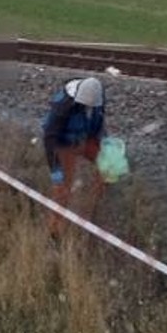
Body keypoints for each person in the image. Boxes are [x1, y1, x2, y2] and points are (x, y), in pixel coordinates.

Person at [41, 77, 106, 237]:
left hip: (85, 137)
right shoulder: (63, 104)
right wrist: (56, 172)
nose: (88, 108)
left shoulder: (98, 96)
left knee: (108, 168)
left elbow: (98, 123)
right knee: (62, 189)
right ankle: (54, 233)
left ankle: (89, 214)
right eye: (84, 106)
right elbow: (50, 139)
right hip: (63, 142)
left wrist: (101, 148)